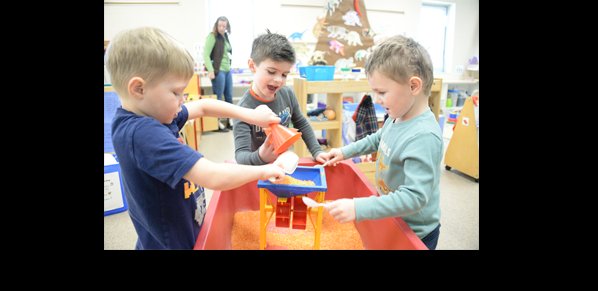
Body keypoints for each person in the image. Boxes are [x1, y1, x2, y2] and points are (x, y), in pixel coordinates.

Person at [105, 26, 285, 250]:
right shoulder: (143, 133)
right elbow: (213, 176)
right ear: (138, 89)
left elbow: (203, 106)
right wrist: (264, 171)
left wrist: (252, 115)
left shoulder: (154, 112)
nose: (182, 100)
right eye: (176, 92)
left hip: (184, 227)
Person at [316, 35, 443, 250]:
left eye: (382, 92)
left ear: (413, 86)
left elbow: (414, 198)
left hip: (416, 232)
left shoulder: (423, 136)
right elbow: (378, 138)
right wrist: (345, 152)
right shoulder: (398, 115)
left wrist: (359, 207)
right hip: (393, 216)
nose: (376, 100)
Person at [233, 30, 324, 166]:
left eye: (284, 74)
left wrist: (317, 151)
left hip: (282, 167)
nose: (278, 80)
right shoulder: (243, 109)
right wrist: (261, 156)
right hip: (256, 171)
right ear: (252, 66)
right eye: (271, 72)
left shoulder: (288, 94)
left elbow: (302, 123)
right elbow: (241, 156)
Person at [203, 16, 233, 132]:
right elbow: (206, 55)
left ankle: (230, 121)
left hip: (228, 70)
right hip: (218, 71)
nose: (221, 28)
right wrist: (210, 70)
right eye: (219, 26)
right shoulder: (212, 37)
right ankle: (218, 124)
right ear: (216, 25)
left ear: (227, 27)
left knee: (229, 97)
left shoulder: (225, 37)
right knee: (219, 99)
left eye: (224, 26)